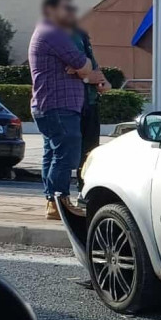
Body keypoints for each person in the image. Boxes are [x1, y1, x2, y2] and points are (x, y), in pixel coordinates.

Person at [28, 0, 105, 220]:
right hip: (58, 105)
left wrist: (82, 70)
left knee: (52, 153)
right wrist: (83, 70)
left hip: (50, 104)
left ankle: (53, 201)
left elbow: (84, 68)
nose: (72, 14)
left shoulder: (48, 32)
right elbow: (83, 63)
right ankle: (58, 201)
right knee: (65, 154)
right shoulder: (53, 32)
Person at [71, 24, 110, 193]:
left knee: (90, 151)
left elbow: (93, 68)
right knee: (70, 151)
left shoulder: (82, 36)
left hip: (91, 102)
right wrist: (88, 78)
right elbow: (73, 69)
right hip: (75, 103)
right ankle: (59, 195)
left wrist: (102, 81)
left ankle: (85, 189)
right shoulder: (61, 36)